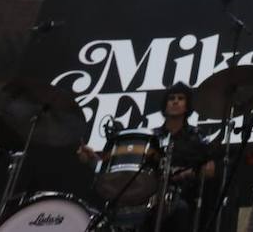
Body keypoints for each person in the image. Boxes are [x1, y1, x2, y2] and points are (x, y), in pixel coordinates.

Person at [78, 83, 215, 232]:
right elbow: (126, 168)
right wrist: (93, 160)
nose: (175, 101)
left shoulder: (196, 136)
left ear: (187, 106)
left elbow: (210, 170)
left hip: (179, 194)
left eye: (180, 98)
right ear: (165, 105)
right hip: (146, 194)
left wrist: (183, 173)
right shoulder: (152, 137)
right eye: (171, 98)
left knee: (179, 209)